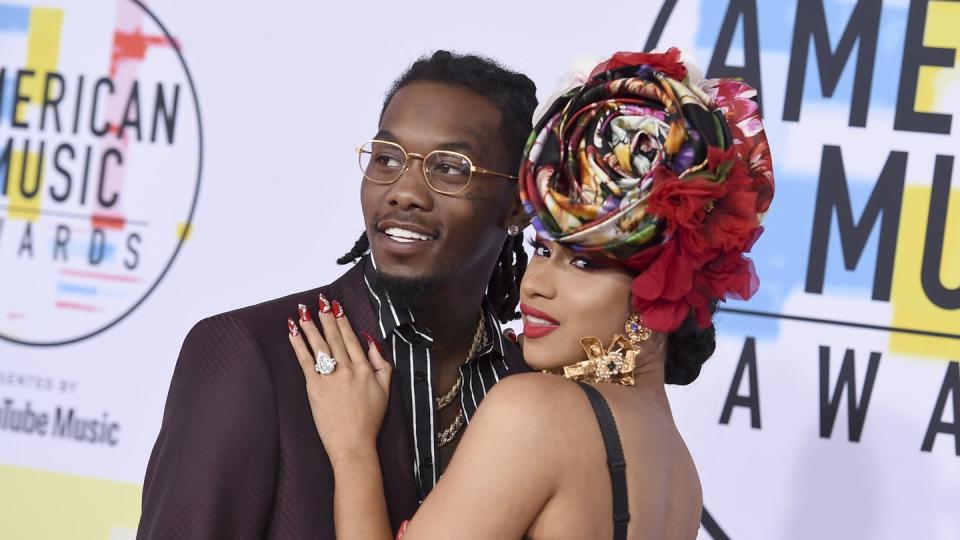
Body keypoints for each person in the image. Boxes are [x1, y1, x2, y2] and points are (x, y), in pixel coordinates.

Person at [286, 48, 774, 539]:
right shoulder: (678, 469)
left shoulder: (533, 412)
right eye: (542, 250)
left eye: (583, 262)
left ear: (660, 284)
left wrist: (352, 452)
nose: (535, 284)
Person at [136, 51, 538, 539]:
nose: (402, 192)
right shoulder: (253, 354)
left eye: (449, 168)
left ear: (519, 205)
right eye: (387, 158)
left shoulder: (533, 391)